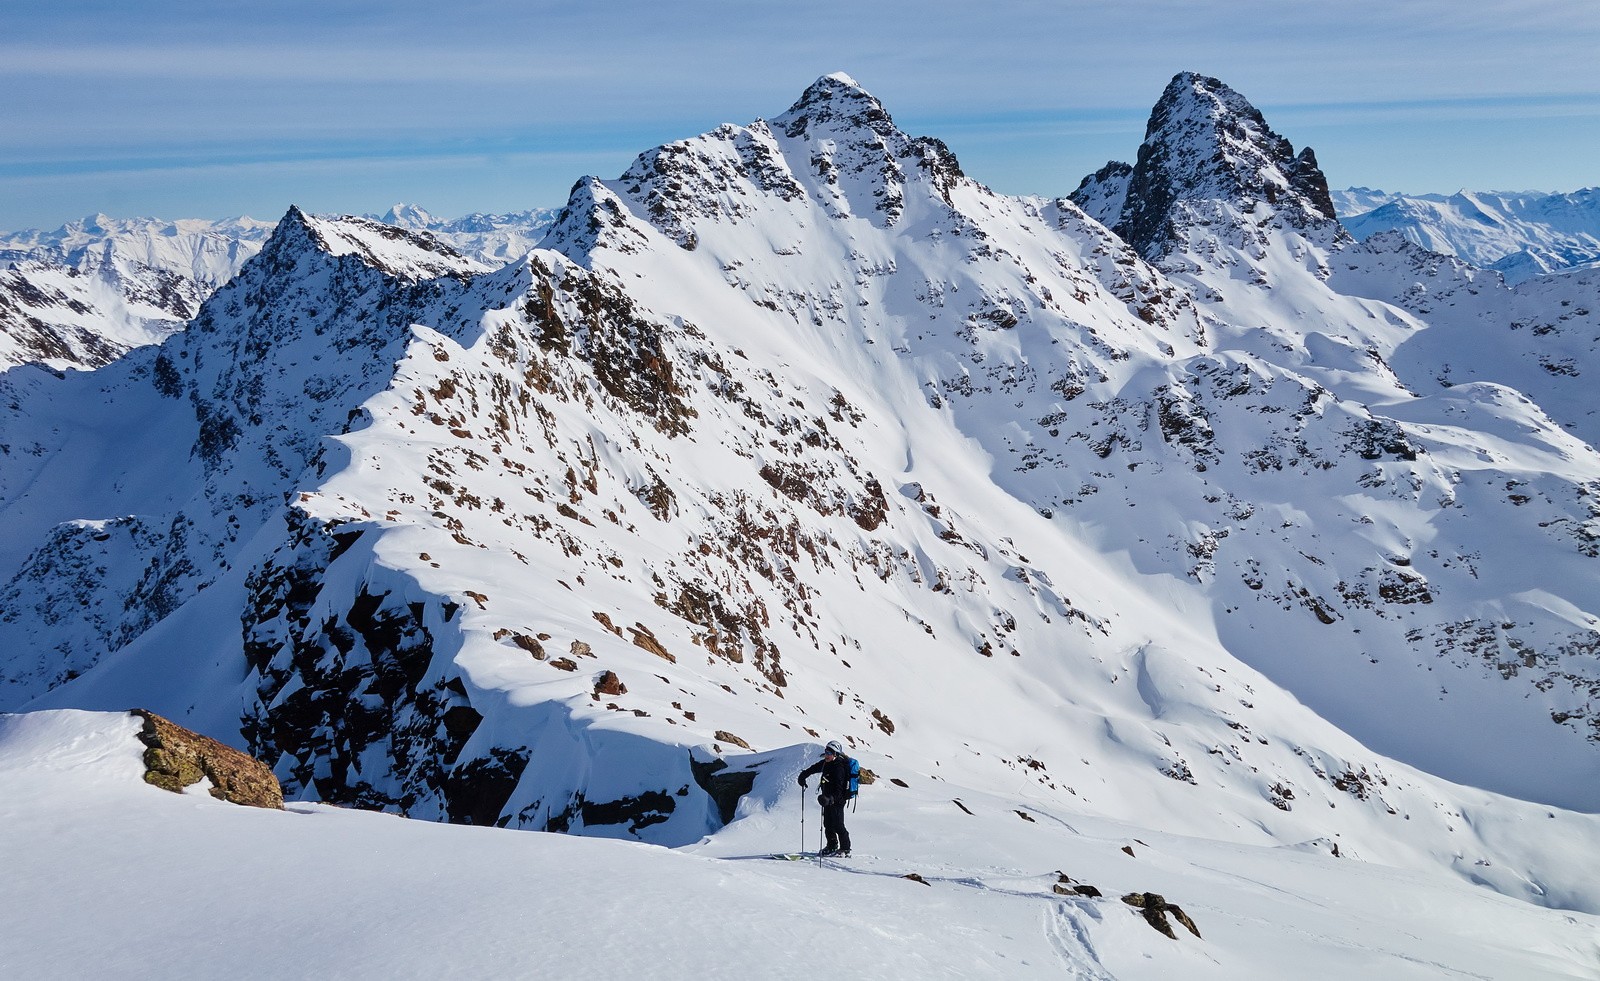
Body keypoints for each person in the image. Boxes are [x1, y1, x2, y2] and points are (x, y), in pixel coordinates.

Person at [797, 740, 852, 856]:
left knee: (838, 825)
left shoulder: (839, 768)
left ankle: (845, 849)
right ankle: (832, 846)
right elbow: (814, 768)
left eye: (829, 753)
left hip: (837, 800)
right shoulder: (826, 763)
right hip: (827, 799)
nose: (826, 755)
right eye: (826, 752)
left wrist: (830, 799)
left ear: (835, 754)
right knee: (827, 824)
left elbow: (839, 791)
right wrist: (803, 775)